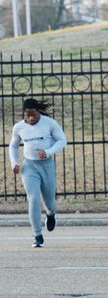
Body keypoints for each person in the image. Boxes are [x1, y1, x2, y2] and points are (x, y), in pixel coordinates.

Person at [8, 97, 67, 247]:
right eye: (27, 115)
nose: (31, 118)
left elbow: (62, 140)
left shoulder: (49, 123)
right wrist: (14, 163)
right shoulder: (19, 127)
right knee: (33, 198)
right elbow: (13, 146)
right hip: (29, 166)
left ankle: (51, 214)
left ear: (38, 111)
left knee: (50, 203)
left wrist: (47, 152)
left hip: (46, 165)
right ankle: (37, 235)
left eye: (33, 114)